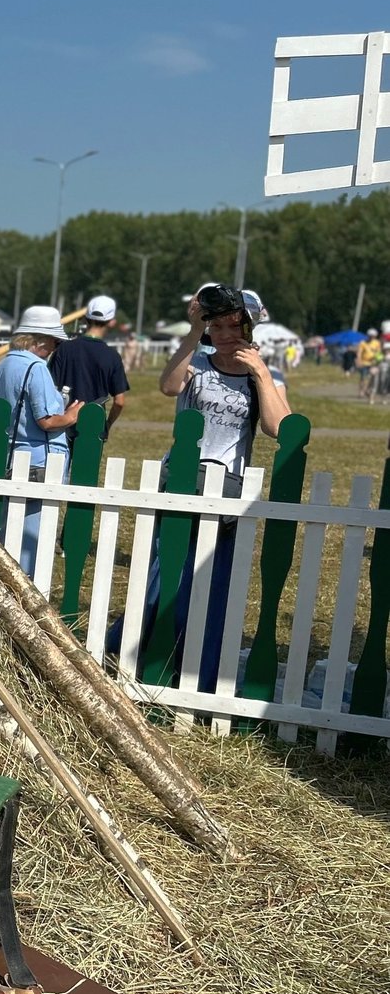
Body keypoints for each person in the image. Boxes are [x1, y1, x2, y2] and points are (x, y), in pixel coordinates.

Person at [142, 284, 291, 690]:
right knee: (164, 577)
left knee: (213, 587)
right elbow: (169, 386)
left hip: (228, 491)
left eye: (234, 325)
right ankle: (146, 662)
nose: (225, 334)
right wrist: (193, 333)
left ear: (251, 326)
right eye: (218, 325)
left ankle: (198, 676)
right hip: (182, 480)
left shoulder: (269, 375)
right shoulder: (200, 364)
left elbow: (279, 427)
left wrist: (260, 371)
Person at [0, 307, 83, 575]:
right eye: (55, 341)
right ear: (40, 340)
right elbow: (47, 420)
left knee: (8, 529)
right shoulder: (36, 367)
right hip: (39, 458)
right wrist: (73, 414)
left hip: (10, 453)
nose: (56, 347)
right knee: (33, 533)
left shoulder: (2, 365)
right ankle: (26, 585)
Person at [48, 295, 129, 442]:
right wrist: (107, 425)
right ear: (111, 322)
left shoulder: (64, 349)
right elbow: (119, 401)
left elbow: (49, 386)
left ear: (85, 318)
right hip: (94, 427)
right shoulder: (112, 356)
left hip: (62, 425)